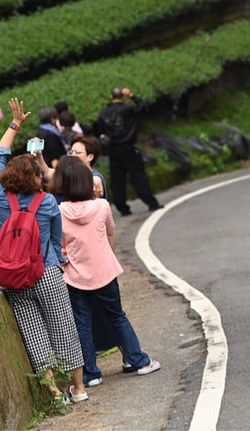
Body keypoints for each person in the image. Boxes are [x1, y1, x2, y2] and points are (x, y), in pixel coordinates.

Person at [0, 98, 87, 404]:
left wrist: (14, 123)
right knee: (63, 327)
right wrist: (57, 262)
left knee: (34, 337)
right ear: (34, 178)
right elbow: (57, 241)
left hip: (14, 277)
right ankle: (79, 389)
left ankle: (54, 394)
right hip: (46, 272)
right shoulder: (46, 203)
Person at [54, 155, 161, 386]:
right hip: (104, 271)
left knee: (82, 323)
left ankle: (91, 374)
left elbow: (60, 244)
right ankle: (139, 361)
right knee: (117, 316)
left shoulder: (60, 211)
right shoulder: (102, 206)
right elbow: (109, 233)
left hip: (74, 276)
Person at [94, 87, 162, 216]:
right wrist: (132, 95)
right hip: (128, 147)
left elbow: (100, 131)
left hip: (113, 150)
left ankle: (122, 208)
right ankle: (151, 202)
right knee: (138, 175)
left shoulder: (103, 113)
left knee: (117, 179)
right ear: (123, 97)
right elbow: (142, 106)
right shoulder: (128, 109)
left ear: (111, 97)